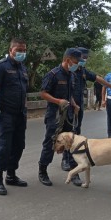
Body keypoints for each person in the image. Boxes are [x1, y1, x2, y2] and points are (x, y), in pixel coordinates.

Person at [61, 47, 111, 171]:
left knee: (76, 132)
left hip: (79, 106)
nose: (84, 61)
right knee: (67, 132)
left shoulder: (83, 71)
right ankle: (65, 159)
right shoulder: (69, 70)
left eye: (86, 59)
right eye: (83, 58)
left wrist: (110, 86)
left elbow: (97, 78)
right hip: (68, 106)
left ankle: (74, 157)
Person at [0, 38, 28, 196]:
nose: (22, 53)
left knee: (19, 145)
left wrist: (24, 107)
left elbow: (24, 90)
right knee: (4, 146)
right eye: (19, 50)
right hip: (5, 113)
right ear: (11, 50)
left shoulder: (23, 68)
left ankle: (11, 175)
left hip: (20, 114)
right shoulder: (1, 66)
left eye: (24, 50)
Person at [38, 48, 83, 187]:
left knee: (71, 143)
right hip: (55, 116)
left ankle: (74, 172)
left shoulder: (72, 75)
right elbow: (43, 93)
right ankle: (43, 171)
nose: (77, 65)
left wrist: (74, 105)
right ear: (68, 60)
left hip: (68, 114)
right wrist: (58, 101)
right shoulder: (53, 74)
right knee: (50, 143)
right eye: (76, 62)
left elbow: (69, 95)